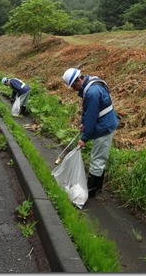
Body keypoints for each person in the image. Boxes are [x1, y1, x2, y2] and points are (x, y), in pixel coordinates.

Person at [62, 67, 119, 198]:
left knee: (97, 160)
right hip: (104, 123)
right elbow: (88, 111)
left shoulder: (92, 92)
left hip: (104, 127)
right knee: (99, 157)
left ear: (77, 81)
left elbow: (92, 116)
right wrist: (83, 123)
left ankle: (91, 191)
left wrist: (84, 138)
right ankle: (97, 188)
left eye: (72, 86)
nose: (73, 89)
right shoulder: (90, 84)